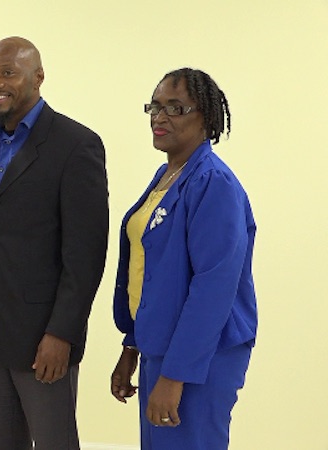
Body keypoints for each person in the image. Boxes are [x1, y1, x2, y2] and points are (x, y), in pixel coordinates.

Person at [0, 36, 109, 450]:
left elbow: (85, 255)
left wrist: (62, 334)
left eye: (8, 73)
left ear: (38, 77)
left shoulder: (76, 144)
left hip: (42, 338)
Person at [109, 68, 257, 450]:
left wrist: (176, 376)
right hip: (160, 347)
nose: (160, 117)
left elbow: (213, 288)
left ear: (205, 117)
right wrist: (132, 346)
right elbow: (154, 274)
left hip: (200, 358)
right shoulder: (168, 175)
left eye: (175, 108)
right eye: (155, 107)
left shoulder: (213, 182)